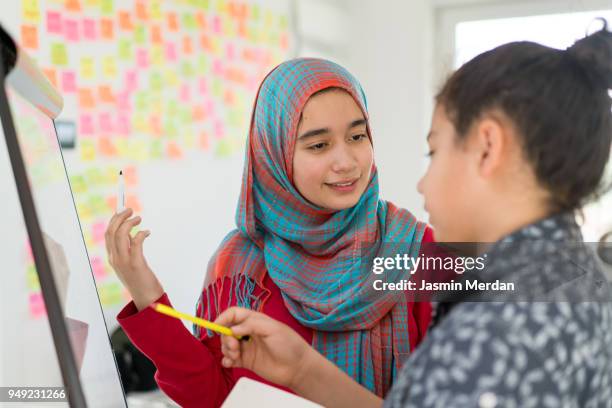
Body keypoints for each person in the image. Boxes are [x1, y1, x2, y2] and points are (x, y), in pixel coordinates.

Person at [214, 24, 612, 407]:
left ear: (488, 147)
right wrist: (303, 369)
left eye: (434, 152)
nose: (422, 185)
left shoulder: (495, 328)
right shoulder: (576, 280)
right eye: (318, 144)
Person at [104, 58, 434, 407]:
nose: (348, 161)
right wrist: (145, 291)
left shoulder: (418, 249)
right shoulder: (238, 264)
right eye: (318, 145)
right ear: (272, 154)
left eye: (357, 136)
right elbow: (216, 398)